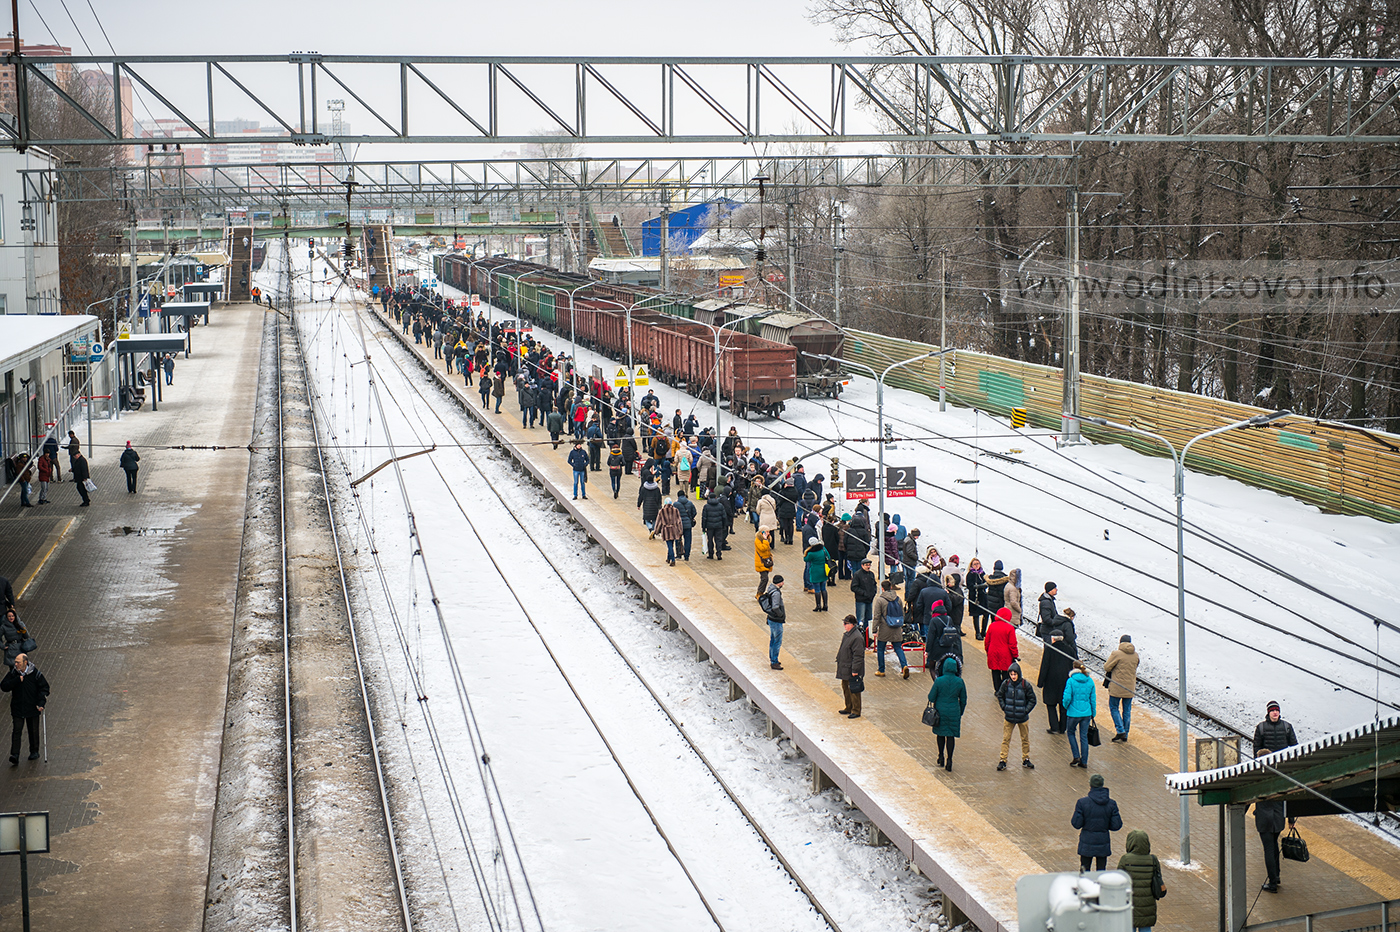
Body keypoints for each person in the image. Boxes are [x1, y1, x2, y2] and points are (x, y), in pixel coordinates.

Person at [1253, 700, 1299, 892]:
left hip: (1265, 820)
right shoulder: (1263, 728)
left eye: (1277, 711)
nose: (1275, 713)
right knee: (1273, 846)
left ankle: (1273, 881)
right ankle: (1276, 877)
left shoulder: (1261, 783)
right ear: (1268, 713)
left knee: (1269, 849)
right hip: (1277, 818)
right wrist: (1291, 819)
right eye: (1272, 711)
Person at [2, 653, 48, 765]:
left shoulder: (35, 674)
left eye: (18, 662)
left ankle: (34, 751)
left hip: (32, 707)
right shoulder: (14, 673)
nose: (16, 664)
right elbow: (4, 686)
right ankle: (15, 754)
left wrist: (41, 702)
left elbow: (44, 688)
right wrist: (17, 680)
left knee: (33, 730)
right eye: (15, 662)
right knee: (17, 731)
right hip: (18, 707)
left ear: (25, 663)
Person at [1072, 774, 1123, 871]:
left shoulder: (1082, 803)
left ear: (1090, 785)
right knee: (1101, 871)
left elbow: (1076, 824)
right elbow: (1116, 825)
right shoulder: (1111, 804)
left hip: (1087, 842)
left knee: (1085, 871)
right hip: (1103, 842)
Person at [1117, 829, 1163, 930]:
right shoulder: (1153, 860)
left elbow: (1118, 881)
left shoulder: (1125, 859)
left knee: (1130, 927)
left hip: (1130, 903)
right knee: (1146, 928)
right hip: (1147, 905)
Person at [928, 656, 967, 771]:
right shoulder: (960, 682)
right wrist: (960, 712)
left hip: (940, 712)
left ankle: (941, 756)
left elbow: (931, 697)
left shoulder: (939, 681)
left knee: (940, 734)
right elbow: (964, 699)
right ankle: (949, 760)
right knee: (950, 736)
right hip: (954, 711)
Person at [995, 661, 1036, 771]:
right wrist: (1005, 708)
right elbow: (1000, 696)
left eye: (1015, 674)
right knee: (1006, 739)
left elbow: (1033, 700)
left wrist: (1025, 711)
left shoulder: (1025, 685)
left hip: (1022, 717)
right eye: (1011, 674)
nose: (1013, 676)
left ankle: (1026, 758)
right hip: (1009, 717)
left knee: (1025, 739)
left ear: (1019, 674)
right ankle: (1003, 760)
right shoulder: (1006, 684)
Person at [1038, 621, 1074, 735]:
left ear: (1053, 639)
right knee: (1064, 706)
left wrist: (1040, 682)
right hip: (1065, 682)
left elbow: (1044, 666)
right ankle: (1063, 727)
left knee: (1050, 704)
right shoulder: (1070, 650)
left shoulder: (1049, 649)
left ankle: (1054, 727)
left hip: (1051, 682)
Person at [1103, 634, 1140, 742]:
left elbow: (1107, 667)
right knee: (1127, 711)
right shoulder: (1136, 655)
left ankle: (1120, 730)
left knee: (1114, 707)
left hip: (1117, 686)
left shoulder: (1116, 654)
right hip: (1130, 687)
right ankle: (1126, 734)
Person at [1063, 660, 1098, 768]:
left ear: (1074, 668)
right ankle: (1084, 761)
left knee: (1071, 733)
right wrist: (1093, 712)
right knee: (1084, 736)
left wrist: (1066, 706)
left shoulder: (1071, 681)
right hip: (1086, 713)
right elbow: (1093, 699)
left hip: (1073, 713)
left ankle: (1076, 756)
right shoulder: (1090, 681)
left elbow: (1067, 697)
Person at [872, 578, 909, 678]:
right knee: (898, 648)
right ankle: (904, 665)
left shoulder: (880, 600)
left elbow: (877, 616)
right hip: (896, 627)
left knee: (880, 649)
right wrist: (901, 625)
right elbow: (902, 613)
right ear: (891, 587)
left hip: (884, 627)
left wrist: (874, 630)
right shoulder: (898, 599)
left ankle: (881, 670)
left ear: (882, 589)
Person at [835, 615, 865, 718]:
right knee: (845, 688)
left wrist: (855, 670)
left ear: (852, 624)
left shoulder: (857, 637)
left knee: (854, 689)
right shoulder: (847, 635)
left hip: (852, 668)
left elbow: (858, 656)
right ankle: (848, 707)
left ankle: (856, 710)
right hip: (845, 667)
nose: (844, 625)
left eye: (846, 623)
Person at [985, 606, 1019, 692]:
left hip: (993, 652)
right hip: (1005, 654)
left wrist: (988, 651)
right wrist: (1015, 655)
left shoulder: (992, 626)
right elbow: (1012, 644)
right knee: (1005, 673)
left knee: (995, 672)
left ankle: (997, 690)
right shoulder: (1010, 628)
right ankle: (1004, 690)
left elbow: (987, 641)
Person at [760, 576, 786, 670]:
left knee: (772, 640)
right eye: (782, 582)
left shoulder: (770, 589)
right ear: (778, 583)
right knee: (777, 641)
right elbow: (775, 607)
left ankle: (773, 659)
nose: (783, 584)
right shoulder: (776, 594)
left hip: (771, 619)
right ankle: (774, 662)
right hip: (776, 621)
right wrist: (780, 615)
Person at [653, 497, 683, 566]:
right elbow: (679, 521)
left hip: (666, 530)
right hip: (674, 529)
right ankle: (668, 558)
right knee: (671, 544)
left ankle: (672, 559)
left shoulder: (662, 511)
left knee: (669, 546)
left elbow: (658, 522)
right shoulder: (676, 510)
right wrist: (680, 531)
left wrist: (656, 531)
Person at [850, 557, 877, 631]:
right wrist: (864, 593)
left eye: (869, 565)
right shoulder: (858, 575)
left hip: (869, 600)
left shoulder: (871, 574)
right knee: (861, 619)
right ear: (862, 565)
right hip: (861, 601)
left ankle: (867, 635)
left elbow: (874, 584)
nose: (868, 567)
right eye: (866, 565)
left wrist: (873, 593)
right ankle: (860, 634)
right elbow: (853, 587)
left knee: (869, 619)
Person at [804, 537, 830, 612]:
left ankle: (818, 606)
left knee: (817, 589)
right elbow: (828, 556)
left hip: (815, 571)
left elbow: (806, 559)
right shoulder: (823, 549)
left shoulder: (811, 553)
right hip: (824, 571)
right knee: (823, 588)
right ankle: (825, 605)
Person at [966, 557, 988, 639]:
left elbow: (986, 582)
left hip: (982, 596)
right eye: (974, 564)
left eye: (977, 564)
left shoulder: (982, 573)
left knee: (986, 613)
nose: (976, 565)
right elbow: (969, 586)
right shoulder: (970, 574)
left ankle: (983, 631)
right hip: (974, 596)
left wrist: (984, 586)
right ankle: (977, 632)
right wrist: (978, 586)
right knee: (976, 615)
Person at [702, 492, 728, 559]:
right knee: (718, 540)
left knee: (710, 540)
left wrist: (703, 527)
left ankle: (711, 554)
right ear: (716, 498)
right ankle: (719, 554)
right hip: (719, 526)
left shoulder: (706, 506)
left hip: (709, 526)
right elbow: (724, 516)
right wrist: (724, 525)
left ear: (709, 498)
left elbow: (704, 518)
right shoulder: (720, 506)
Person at [674, 492, 696, 562]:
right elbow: (694, 512)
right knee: (688, 541)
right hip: (688, 525)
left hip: (678, 525)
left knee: (678, 539)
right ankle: (686, 556)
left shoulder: (675, 504)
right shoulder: (690, 503)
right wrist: (690, 518)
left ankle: (679, 554)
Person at [754, 525, 775, 598]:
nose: (768, 533)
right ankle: (759, 593)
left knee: (764, 578)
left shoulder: (767, 538)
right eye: (767, 532)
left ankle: (760, 593)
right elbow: (762, 548)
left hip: (766, 562)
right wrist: (766, 541)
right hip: (761, 562)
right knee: (764, 578)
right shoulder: (758, 540)